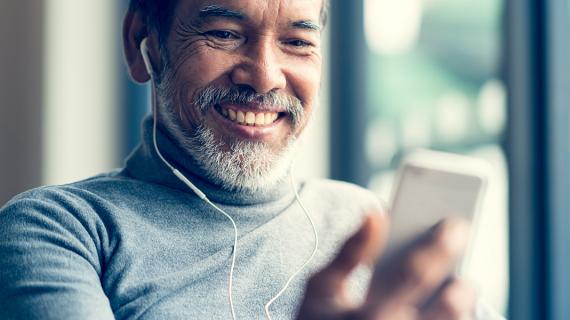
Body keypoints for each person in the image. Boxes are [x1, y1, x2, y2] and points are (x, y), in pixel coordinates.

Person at [0, 0, 504, 319]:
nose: (264, 77)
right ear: (140, 45)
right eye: (224, 33)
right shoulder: (58, 230)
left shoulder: (367, 224)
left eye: (298, 42)